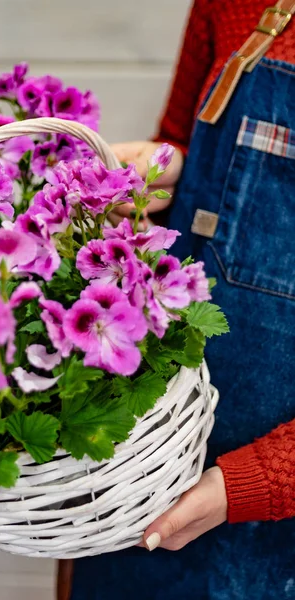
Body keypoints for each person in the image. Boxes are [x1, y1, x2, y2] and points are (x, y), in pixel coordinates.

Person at [70, 1, 295, 598]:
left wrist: (256, 483)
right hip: (135, 466)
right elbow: (184, 146)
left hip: (265, 524)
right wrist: (155, 173)